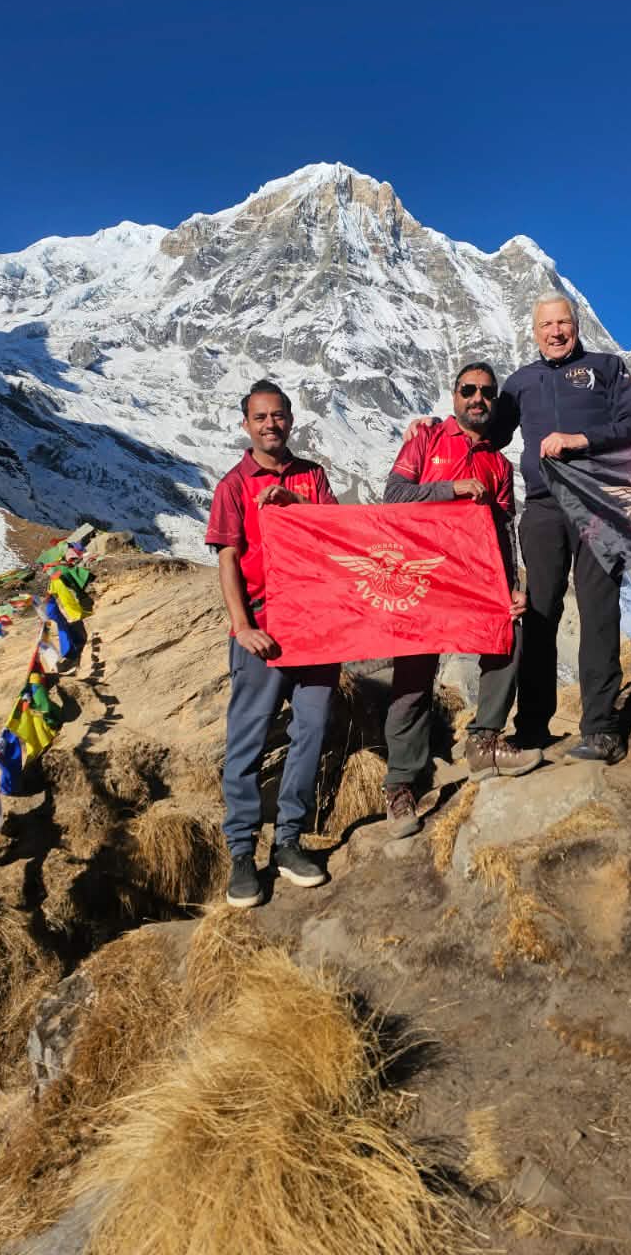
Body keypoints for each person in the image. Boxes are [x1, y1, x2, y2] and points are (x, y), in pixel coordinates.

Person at [491, 294, 631, 765]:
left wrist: (582, 440)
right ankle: (532, 728)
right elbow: (488, 434)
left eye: (563, 322)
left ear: (575, 325)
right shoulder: (520, 382)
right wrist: (436, 430)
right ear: (534, 330)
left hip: (598, 503)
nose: (555, 332)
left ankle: (602, 728)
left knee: (600, 611)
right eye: (546, 325)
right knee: (539, 615)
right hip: (542, 508)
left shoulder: (607, 367)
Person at [380, 363, 537, 837]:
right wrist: (451, 489)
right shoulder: (425, 440)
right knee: (412, 677)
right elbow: (394, 495)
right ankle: (402, 784)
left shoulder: (501, 465)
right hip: (423, 578)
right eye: (469, 390)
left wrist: (513, 585)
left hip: (475, 579)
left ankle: (484, 741)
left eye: (487, 392)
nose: (478, 398)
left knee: (508, 634)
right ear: (454, 396)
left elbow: (504, 531)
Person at [205, 379, 341, 905]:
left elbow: (334, 540)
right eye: (260, 417)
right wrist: (242, 627)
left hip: (315, 630)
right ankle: (241, 853)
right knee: (248, 739)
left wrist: (296, 509)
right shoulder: (233, 485)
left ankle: (288, 841)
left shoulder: (313, 477)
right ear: (246, 425)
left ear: (290, 419)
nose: (271, 425)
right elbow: (227, 560)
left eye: (279, 415)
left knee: (312, 730)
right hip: (262, 628)